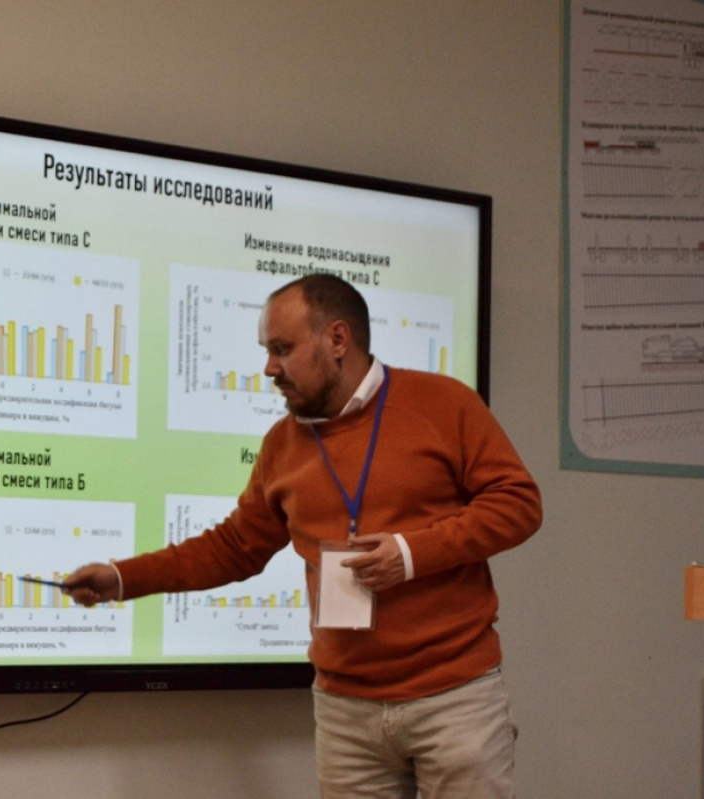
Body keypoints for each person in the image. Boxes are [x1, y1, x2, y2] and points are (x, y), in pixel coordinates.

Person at [64, 273, 542, 798]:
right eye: (267, 351)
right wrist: (122, 577)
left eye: (282, 349)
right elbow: (234, 547)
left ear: (337, 340)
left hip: (454, 697)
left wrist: (410, 553)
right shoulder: (282, 444)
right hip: (345, 709)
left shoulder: (442, 403)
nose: (269, 368)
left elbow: (517, 504)